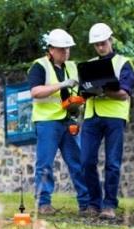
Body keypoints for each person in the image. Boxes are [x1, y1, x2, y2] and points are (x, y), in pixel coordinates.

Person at [28, 28, 89, 215]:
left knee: (78, 163)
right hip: (47, 123)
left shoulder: (72, 67)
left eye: (68, 49)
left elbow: (80, 91)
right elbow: (35, 92)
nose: (66, 52)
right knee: (45, 164)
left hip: (68, 120)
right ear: (51, 49)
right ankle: (43, 204)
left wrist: (79, 102)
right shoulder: (39, 66)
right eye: (62, 49)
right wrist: (62, 84)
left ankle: (86, 204)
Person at [80, 23, 134, 219]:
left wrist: (103, 90)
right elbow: (84, 92)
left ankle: (109, 205)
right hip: (91, 117)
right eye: (96, 45)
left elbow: (123, 93)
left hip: (115, 118)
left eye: (102, 43)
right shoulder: (90, 64)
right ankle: (94, 203)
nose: (100, 47)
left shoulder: (124, 63)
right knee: (86, 161)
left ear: (110, 40)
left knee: (112, 163)